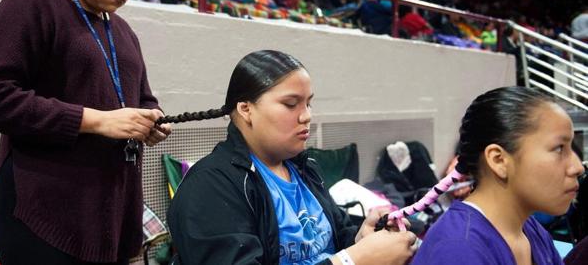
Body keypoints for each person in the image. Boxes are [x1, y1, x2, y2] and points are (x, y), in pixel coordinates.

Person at [0, 0, 172, 264]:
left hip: (111, 215)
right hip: (41, 213)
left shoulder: (123, 32)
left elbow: (141, 98)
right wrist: (95, 120)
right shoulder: (29, 7)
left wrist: (152, 119)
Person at [167, 50, 416, 265]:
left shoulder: (304, 169)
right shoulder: (210, 187)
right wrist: (355, 260)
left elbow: (332, 243)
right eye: (291, 104)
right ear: (246, 109)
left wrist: (362, 239)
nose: (306, 116)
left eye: (308, 104)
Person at [388, 86, 584, 265]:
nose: (578, 167)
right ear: (499, 160)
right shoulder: (458, 250)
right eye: (559, 149)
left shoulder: (530, 230)